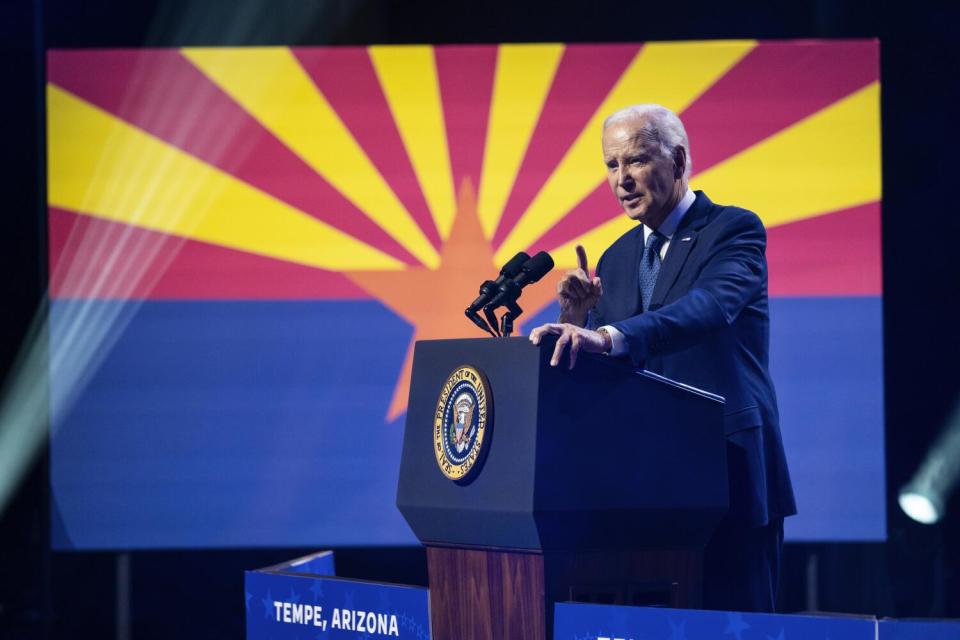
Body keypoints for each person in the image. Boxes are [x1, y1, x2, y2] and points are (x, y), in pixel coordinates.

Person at [529, 104, 796, 612]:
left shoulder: (733, 230)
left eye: (635, 161)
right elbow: (610, 367)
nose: (622, 179)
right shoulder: (617, 257)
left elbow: (707, 309)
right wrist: (578, 321)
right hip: (645, 488)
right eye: (611, 165)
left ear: (677, 159)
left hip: (728, 474)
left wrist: (606, 336)